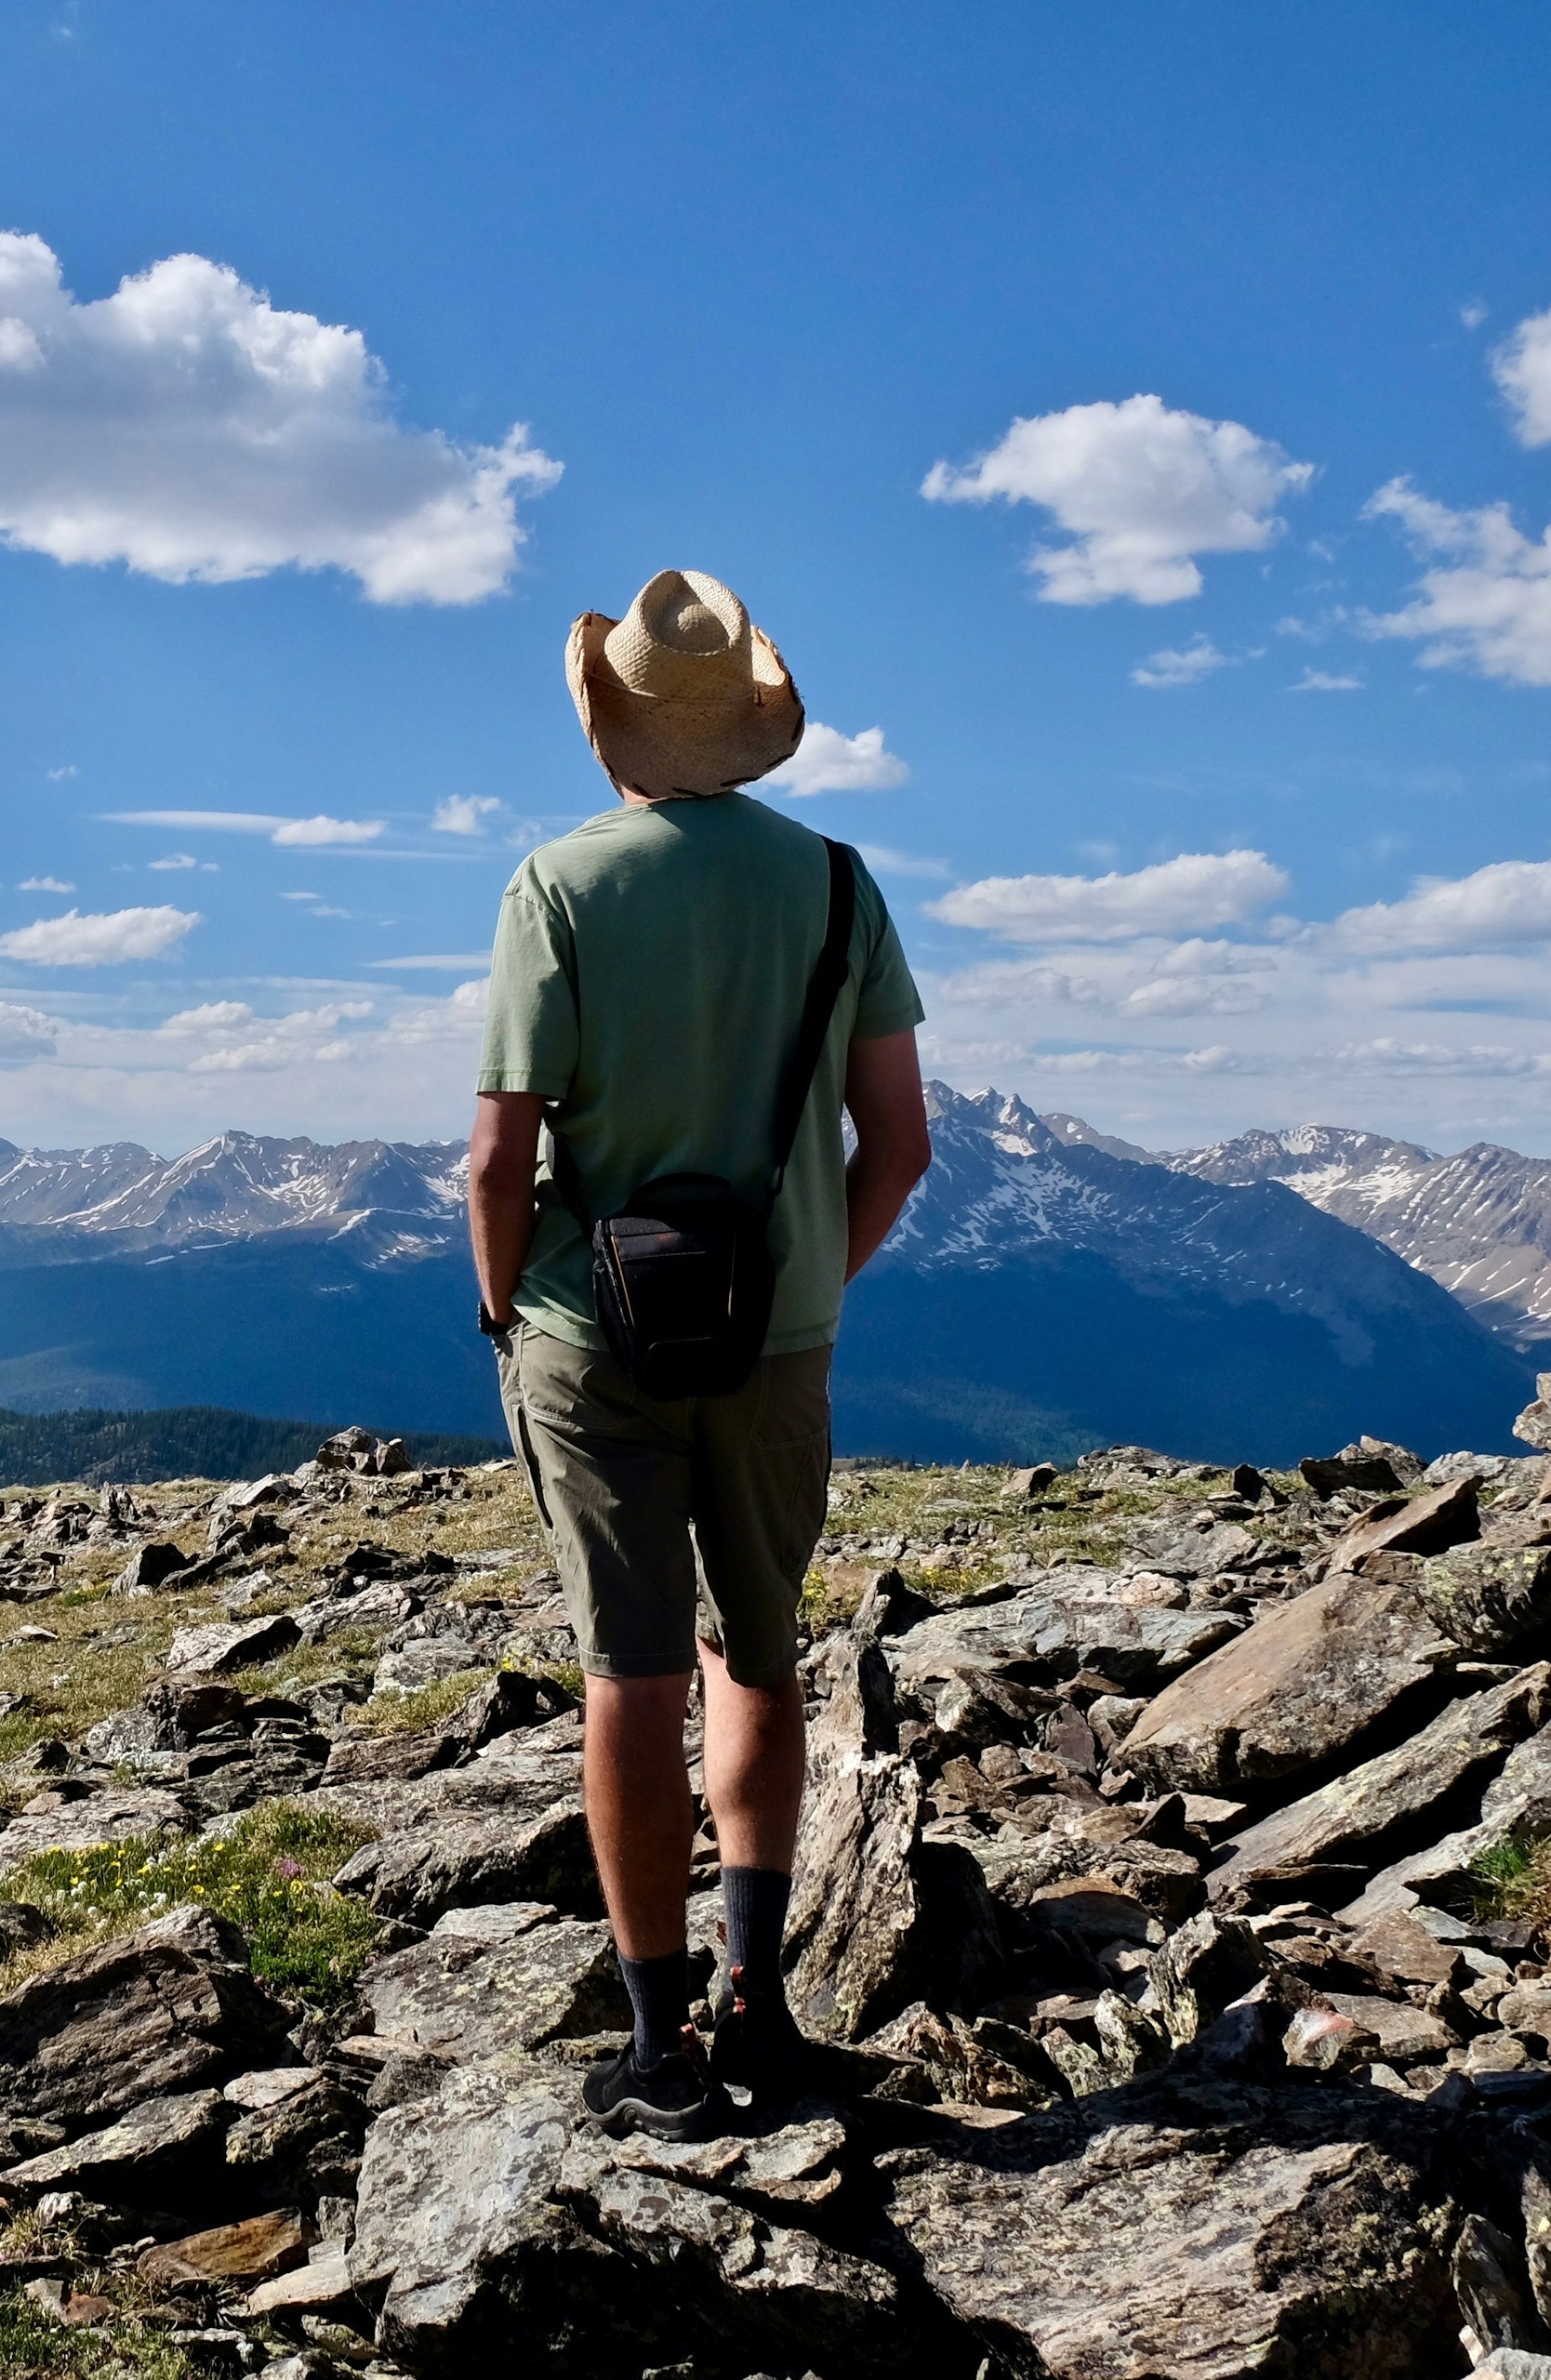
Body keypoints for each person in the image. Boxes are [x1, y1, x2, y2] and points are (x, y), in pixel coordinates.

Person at [468, 567, 931, 2141]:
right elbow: (901, 1141)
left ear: (611, 726)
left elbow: (495, 1154)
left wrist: (499, 1303)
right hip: (777, 1334)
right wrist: (808, 1279)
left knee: (627, 1672)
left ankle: (657, 2040)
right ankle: (761, 2000)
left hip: (591, 1329)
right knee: (758, 1649)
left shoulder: (558, 885)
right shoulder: (839, 885)